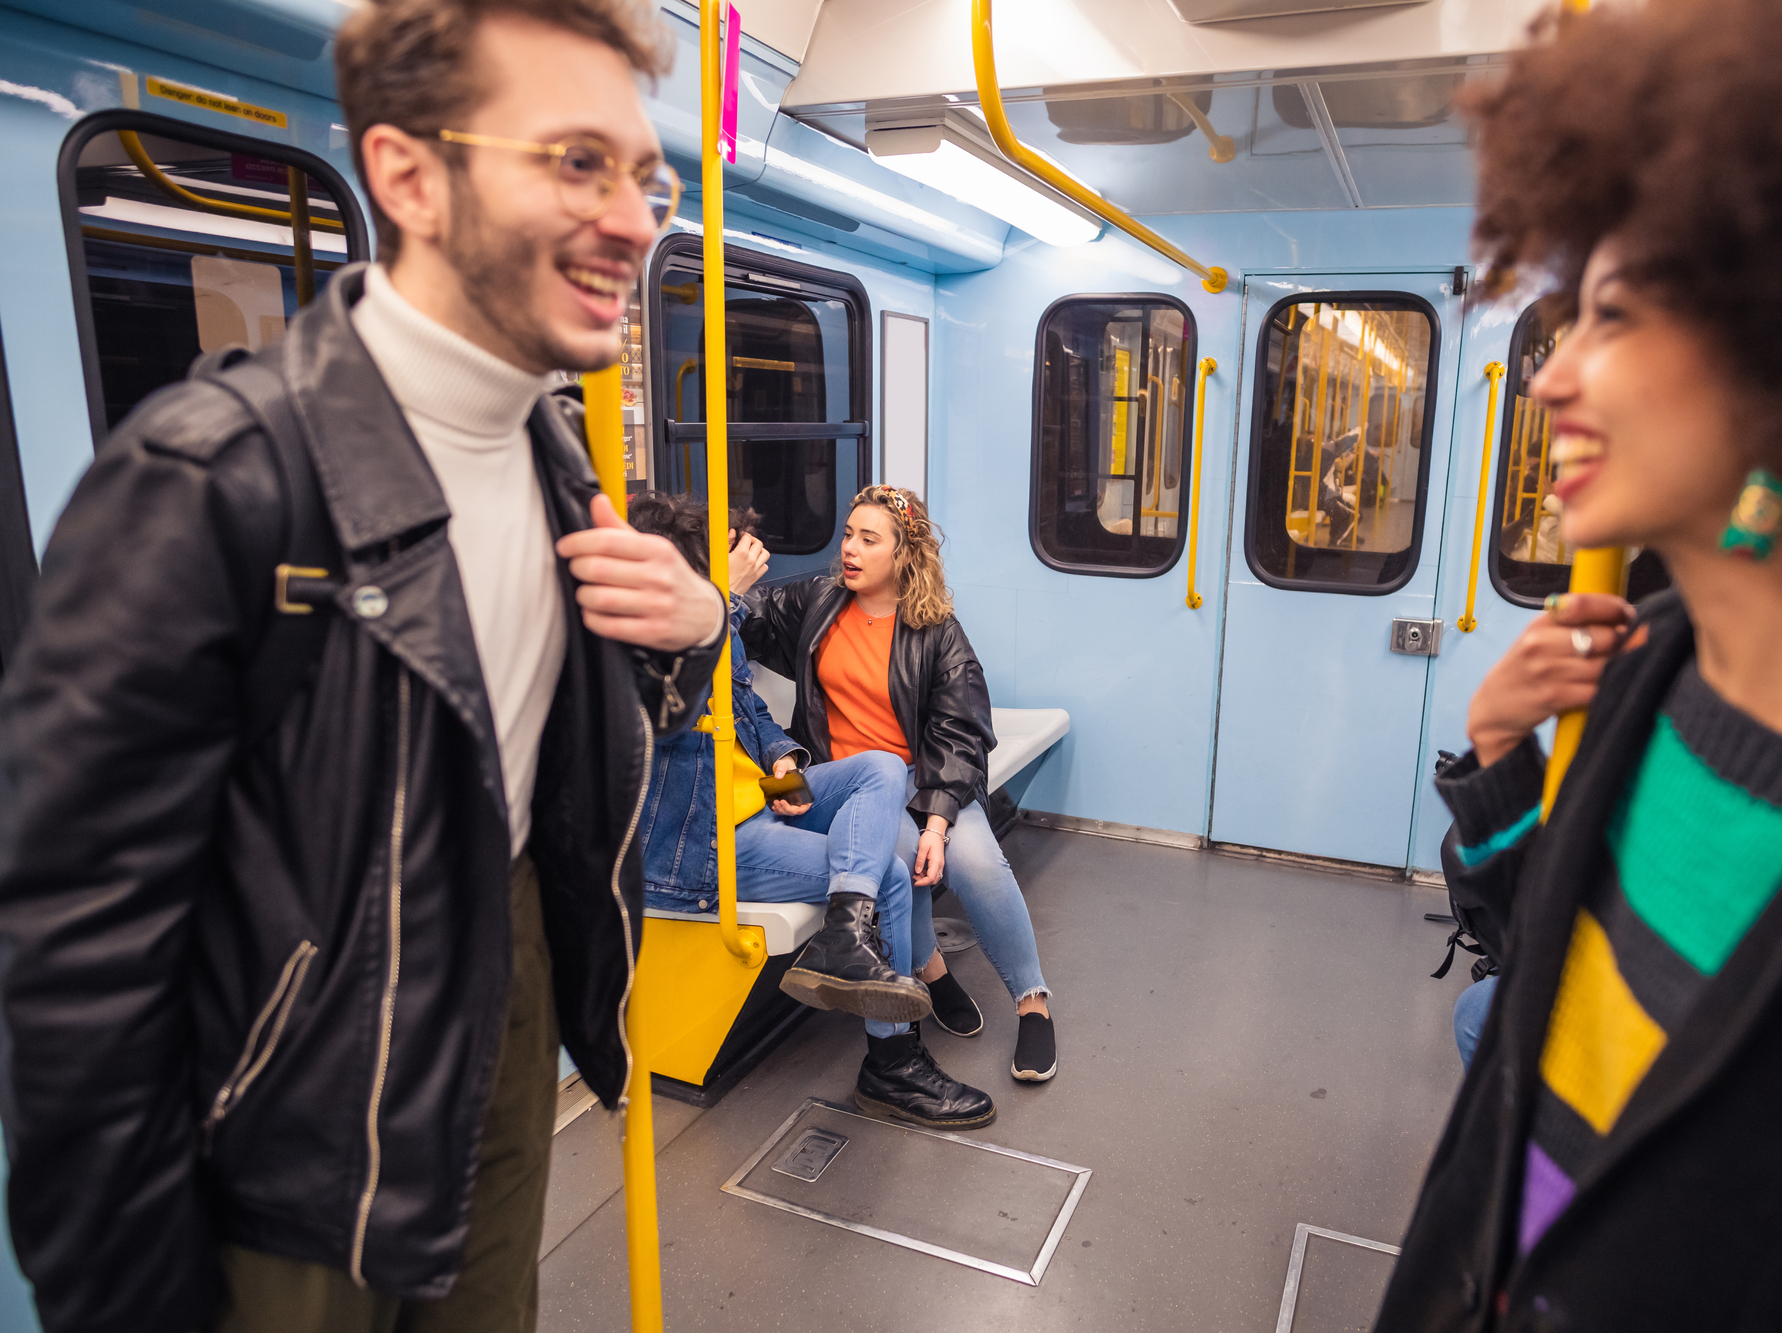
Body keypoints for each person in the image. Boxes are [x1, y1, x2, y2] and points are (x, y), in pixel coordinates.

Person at [0, 2, 727, 1330]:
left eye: (643, 173)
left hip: (502, 1019)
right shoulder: (210, 485)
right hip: (287, 1114)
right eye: (574, 161)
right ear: (407, 176)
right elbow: (77, 977)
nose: (634, 219)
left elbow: (537, 750)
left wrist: (698, 631)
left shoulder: (555, 460)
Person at [1377, 0, 1782, 1326]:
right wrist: (1496, 759)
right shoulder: (1651, 664)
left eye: (1616, 313)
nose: (1554, 377)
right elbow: (1531, 974)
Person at [626, 495, 1000, 1127]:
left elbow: (748, 710)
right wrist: (723, 600)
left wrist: (783, 760)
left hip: (758, 800)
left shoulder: (709, 622)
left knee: (881, 765)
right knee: (884, 872)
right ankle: (892, 1065)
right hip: (708, 840)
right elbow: (672, 711)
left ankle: (844, 938)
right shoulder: (648, 633)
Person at [737, 486, 1060, 1084]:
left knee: (977, 863)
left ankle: (1032, 1002)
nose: (850, 550)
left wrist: (938, 821)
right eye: (848, 534)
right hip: (847, 784)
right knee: (899, 860)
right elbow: (738, 625)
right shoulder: (816, 601)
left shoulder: (937, 631)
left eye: (869, 539)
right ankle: (932, 974)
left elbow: (960, 734)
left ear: (904, 554)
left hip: (924, 778)